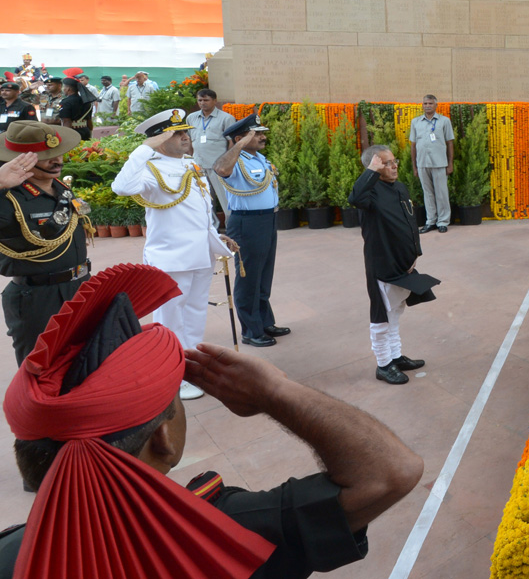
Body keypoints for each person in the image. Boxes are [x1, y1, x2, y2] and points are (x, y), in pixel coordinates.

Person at [0, 263, 423, 579]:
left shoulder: (13, 553)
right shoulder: (218, 534)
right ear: (163, 438)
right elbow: (391, 473)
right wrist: (276, 392)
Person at [111, 108, 236, 400]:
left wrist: (215, 236)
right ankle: (172, 374)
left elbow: (198, 212)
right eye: (176, 133)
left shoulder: (190, 164)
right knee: (170, 319)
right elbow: (121, 187)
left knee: (195, 313)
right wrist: (145, 148)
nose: (184, 137)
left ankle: (190, 367)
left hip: (201, 254)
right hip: (172, 257)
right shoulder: (150, 170)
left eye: (185, 132)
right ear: (159, 139)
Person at [0, 121, 87, 366]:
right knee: (43, 369)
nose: (56, 160)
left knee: (82, 364)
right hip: (37, 297)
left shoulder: (60, 188)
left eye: (58, 152)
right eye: (45, 156)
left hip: (78, 287)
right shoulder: (8, 199)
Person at [348, 145, 437, 385]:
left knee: (396, 310)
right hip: (382, 264)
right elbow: (354, 197)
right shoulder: (370, 193)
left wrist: (414, 254)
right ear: (374, 167)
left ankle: (396, 356)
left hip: (403, 265)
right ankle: (384, 364)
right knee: (382, 316)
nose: (394, 165)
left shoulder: (399, 187)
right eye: (386, 163)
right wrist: (371, 173)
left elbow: (409, 222)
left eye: (394, 161)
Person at [213, 114, 289, 348]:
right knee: (249, 278)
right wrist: (240, 144)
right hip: (247, 223)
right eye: (257, 134)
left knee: (264, 275)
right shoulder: (236, 160)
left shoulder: (259, 158)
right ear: (241, 138)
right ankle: (250, 330)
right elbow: (220, 168)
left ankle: (264, 322)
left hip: (267, 220)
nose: (263, 137)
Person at [187, 88, 237, 225]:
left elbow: (232, 142)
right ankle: (212, 230)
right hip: (199, 166)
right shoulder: (191, 118)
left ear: (215, 101)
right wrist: (191, 160)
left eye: (206, 100)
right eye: (200, 100)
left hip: (218, 167)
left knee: (226, 200)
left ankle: (231, 229)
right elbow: (190, 140)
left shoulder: (226, 118)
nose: (202, 103)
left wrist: (227, 163)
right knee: (205, 201)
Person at [409, 94, 454, 233]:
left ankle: (443, 221)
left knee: (441, 193)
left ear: (436, 105)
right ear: (422, 105)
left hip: (440, 163)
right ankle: (430, 221)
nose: (427, 105)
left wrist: (450, 163)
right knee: (427, 193)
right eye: (425, 103)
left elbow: (449, 143)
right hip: (423, 163)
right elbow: (413, 144)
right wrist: (414, 166)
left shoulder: (444, 121)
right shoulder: (415, 122)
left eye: (430, 103)